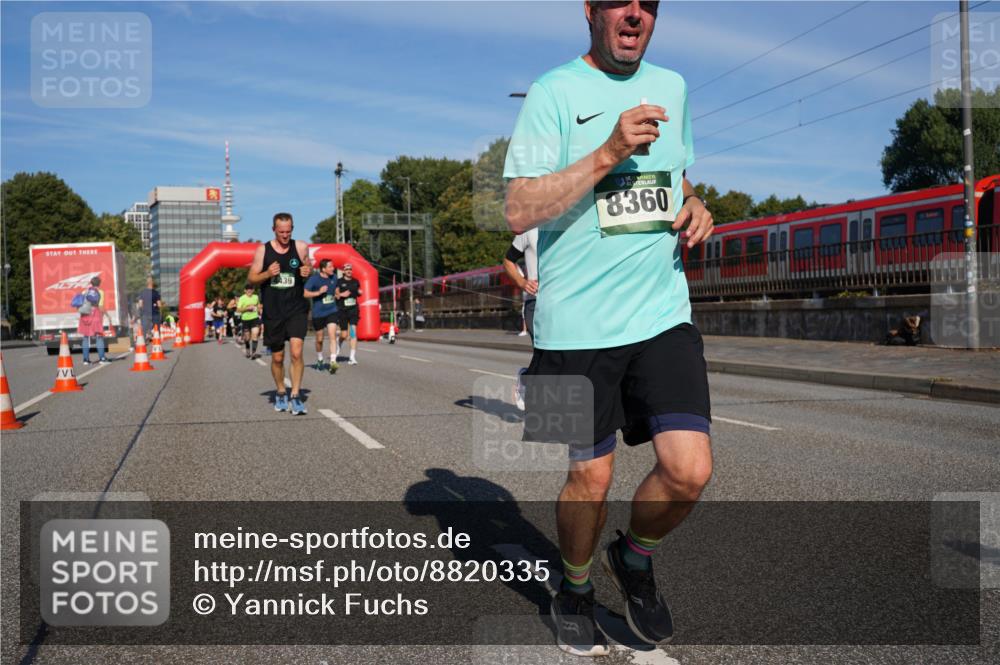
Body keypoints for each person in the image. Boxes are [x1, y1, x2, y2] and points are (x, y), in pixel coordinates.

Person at [503, 0, 715, 656]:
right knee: (588, 478)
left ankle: (633, 555)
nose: (635, 13)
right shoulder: (552, 92)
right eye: (620, 1)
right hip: (573, 326)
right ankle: (572, 587)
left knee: (690, 471)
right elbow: (516, 209)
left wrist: (696, 205)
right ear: (589, 10)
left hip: (660, 314)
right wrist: (609, 149)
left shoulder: (675, 88)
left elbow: (674, 180)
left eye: (648, 4)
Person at [247, 212, 312, 415]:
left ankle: (295, 395)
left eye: (288, 231)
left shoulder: (300, 247)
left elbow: (309, 266)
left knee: (296, 351)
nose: (285, 235)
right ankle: (281, 392)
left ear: (293, 228)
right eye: (281, 231)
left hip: (296, 308)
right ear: (273, 229)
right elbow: (252, 278)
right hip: (273, 310)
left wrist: (307, 270)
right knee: (277, 357)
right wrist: (267, 273)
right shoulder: (263, 251)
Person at [503, 228, 540, 410]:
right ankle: (526, 380)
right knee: (545, 352)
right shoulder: (530, 230)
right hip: (536, 302)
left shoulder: (568, 226)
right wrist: (523, 282)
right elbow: (509, 260)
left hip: (564, 303)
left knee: (567, 356)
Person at [304, 259, 340, 372]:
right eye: (330, 267)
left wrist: (337, 294)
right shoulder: (314, 279)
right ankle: (320, 359)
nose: (332, 269)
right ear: (323, 269)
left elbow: (336, 289)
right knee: (319, 339)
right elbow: (305, 293)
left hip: (332, 310)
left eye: (333, 266)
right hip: (318, 312)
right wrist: (318, 293)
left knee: (332, 335)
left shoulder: (334, 277)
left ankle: (333, 361)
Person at [77, 276, 109, 365]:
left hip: (85, 315)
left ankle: (85, 360)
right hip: (95, 314)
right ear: (99, 283)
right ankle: (102, 358)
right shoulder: (100, 292)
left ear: (91, 283)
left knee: (86, 337)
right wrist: (106, 315)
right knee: (99, 336)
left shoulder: (85, 292)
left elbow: (81, 304)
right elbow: (100, 306)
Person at [335, 263, 362, 365]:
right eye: (347, 269)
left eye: (350, 269)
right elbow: (336, 295)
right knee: (344, 334)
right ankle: (339, 342)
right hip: (342, 310)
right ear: (343, 271)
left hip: (353, 310)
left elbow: (358, 291)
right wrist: (342, 294)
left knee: (353, 332)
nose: (349, 271)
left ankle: (352, 357)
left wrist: (360, 292)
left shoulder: (356, 281)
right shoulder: (339, 282)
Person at [237, 284, 261, 359]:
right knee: (247, 338)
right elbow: (238, 309)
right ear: (245, 290)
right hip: (245, 320)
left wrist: (259, 310)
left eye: (251, 289)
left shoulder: (256, 297)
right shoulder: (242, 298)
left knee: (255, 334)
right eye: (247, 289)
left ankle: (253, 353)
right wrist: (247, 309)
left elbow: (258, 306)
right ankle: (247, 349)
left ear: (253, 290)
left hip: (255, 318)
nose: (249, 290)